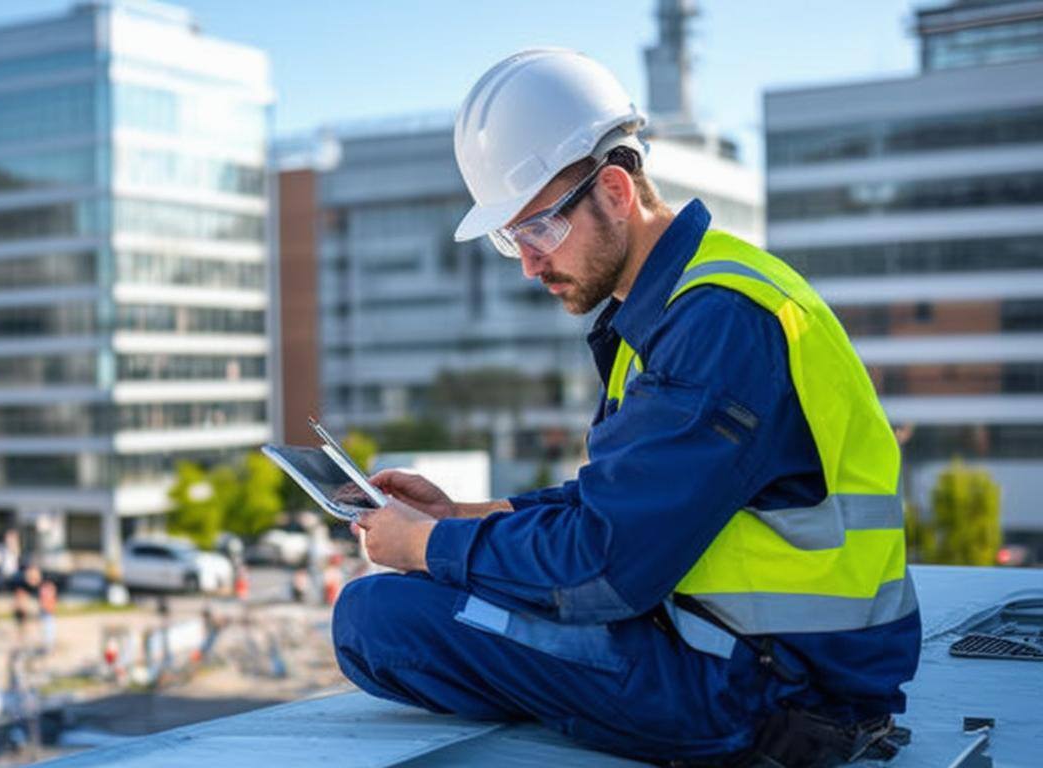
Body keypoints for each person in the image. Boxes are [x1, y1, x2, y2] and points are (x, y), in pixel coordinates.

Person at [332, 49, 919, 767]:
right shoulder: (690, 298)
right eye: (512, 239)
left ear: (613, 191)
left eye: (538, 230)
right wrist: (460, 517)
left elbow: (605, 566)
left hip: (767, 691)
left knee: (377, 618)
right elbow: (620, 500)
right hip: (749, 654)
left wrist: (428, 547)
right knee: (434, 592)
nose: (529, 263)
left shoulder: (715, 323)